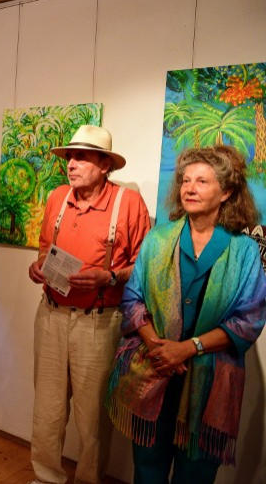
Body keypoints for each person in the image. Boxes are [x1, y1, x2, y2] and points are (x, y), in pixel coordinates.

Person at [105, 146, 266, 483]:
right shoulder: (158, 239)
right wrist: (157, 347)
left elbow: (247, 321)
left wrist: (187, 348)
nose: (189, 188)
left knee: (195, 475)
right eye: (185, 180)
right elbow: (132, 299)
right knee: (147, 470)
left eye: (202, 181)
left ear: (227, 192)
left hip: (209, 384)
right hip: (153, 373)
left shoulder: (244, 250)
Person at [27, 124, 151, 484]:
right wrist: (38, 266)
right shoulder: (57, 198)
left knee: (92, 416)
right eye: (70, 157)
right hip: (50, 315)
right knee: (47, 409)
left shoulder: (128, 203)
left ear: (104, 165)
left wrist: (108, 277)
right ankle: (46, 477)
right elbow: (45, 247)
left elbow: (144, 267)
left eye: (81, 157)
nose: (71, 163)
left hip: (99, 321)